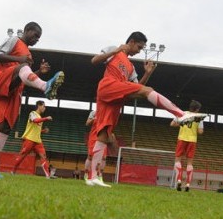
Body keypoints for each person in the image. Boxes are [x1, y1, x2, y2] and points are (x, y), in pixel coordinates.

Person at [88, 31, 207, 187]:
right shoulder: (114, 50)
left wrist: (147, 73)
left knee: (104, 134)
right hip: (108, 86)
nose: (139, 50)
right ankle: (180, 114)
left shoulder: (131, 67)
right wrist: (116, 50)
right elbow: (94, 60)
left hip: (115, 99)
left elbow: (138, 87)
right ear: (131, 42)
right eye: (139, 46)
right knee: (147, 90)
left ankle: (93, 177)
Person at [0, 22, 65, 178]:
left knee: (4, 128)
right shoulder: (14, 40)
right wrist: (20, 59)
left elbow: (24, 76)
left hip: (14, 91)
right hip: (1, 79)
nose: (36, 39)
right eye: (35, 35)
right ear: (27, 30)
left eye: (39, 38)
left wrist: (39, 71)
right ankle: (45, 86)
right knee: (22, 67)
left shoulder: (28, 54)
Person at [11, 100, 54, 178]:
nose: (45, 108)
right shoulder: (32, 113)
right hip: (29, 139)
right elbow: (35, 121)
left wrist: (43, 131)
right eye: (44, 106)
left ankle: (48, 175)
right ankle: (13, 171)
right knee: (22, 156)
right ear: (39, 106)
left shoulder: (40, 116)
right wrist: (46, 118)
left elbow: (36, 130)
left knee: (43, 156)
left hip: (38, 141)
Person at [171, 100, 204, 192]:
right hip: (192, 140)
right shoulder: (199, 117)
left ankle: (178, 180)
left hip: (182, 138)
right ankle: (188, 184)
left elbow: (172, 124)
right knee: (189, 163)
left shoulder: (182, 113)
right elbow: (200, 131)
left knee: (178, 160)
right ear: (197, 109)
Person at [84, 109, 108, 183]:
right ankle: (86, 174)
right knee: (90, 156)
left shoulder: (108, 112)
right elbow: (87, 123)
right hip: (93, 137)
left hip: (103, 136)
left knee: (103, 157)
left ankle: (99, 176)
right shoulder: (94, 112)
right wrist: (95, 118)